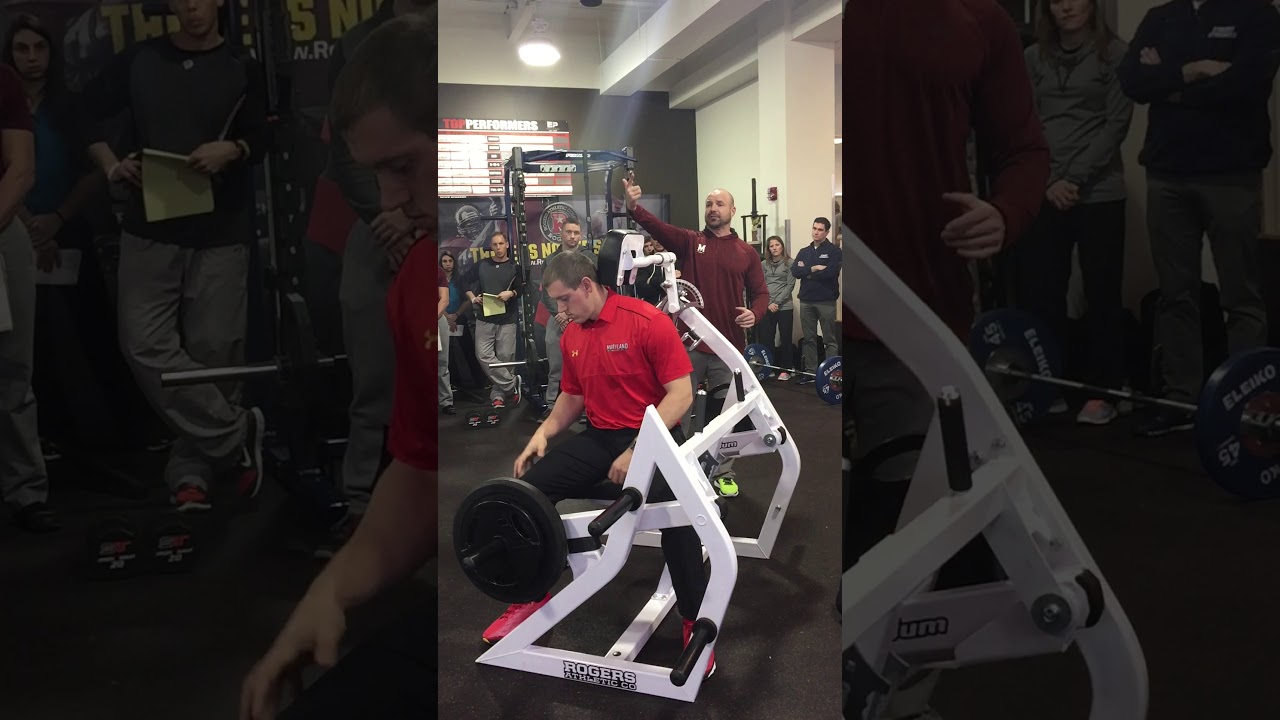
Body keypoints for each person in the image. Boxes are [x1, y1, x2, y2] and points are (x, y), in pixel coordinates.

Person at [844, 2, 1051, 717]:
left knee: (909, 534)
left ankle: (895, 701)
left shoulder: (979, 19)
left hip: (915, 315)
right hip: (824, 309)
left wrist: (1007, 212)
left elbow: (1024, 150)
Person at [239, 13, 438, 720]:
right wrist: (325, 596)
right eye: (376, 172)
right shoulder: (415, 281)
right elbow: (419, 473)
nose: (390, 200)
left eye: (403, 167)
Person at [489, 249, 716, 679]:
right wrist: (544, 432)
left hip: (655, 437)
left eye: (564, 299)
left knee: (679, 516)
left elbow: (681, 395)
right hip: (600, 436)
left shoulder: (647, 321)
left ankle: (693, 619)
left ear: (587, 285)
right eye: (555, 302)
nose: (560, 310)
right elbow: (573, 396)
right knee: (528, 494)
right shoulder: (572, 334)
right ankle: (532, 595)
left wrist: (638, 448)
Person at [80, 0, 269, 512]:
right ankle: (237, 437)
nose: (191, 6)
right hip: (151, 223)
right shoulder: (141, 59)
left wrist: (232, 150)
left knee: (214, 355)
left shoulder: (242, 65)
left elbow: (266, 133)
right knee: (142, 341)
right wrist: (111, 164)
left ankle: (191, 471)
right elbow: (82, 112)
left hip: (221, 229)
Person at [1117, 0, 1280, 437]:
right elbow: (1131, 80)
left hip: (1232, 175)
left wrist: (1167, 81)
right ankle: (1180, 400)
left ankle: (1247, 403)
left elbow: (1246, 85)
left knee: (1241, 297)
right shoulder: (1162, 16)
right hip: (1167, 173)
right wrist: (1192, 71)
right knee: (1175, 295)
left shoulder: (1257, 13)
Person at [324, 0, 434, 552]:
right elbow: (350, 153)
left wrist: (418, 219)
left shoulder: (438, 37)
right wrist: (388, 216)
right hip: (376, 226)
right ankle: (361, 507)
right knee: (373, 379)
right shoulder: (358, 46)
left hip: (425, 219)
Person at [1019, 0, 1134, 425]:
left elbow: (1116, 124)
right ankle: (1049, 386)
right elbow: (1026, 120)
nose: (1066, 6)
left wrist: (1074, 178)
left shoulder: (1115, 54)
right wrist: (1050, 180)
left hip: (1099, 192)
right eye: (1057, 0)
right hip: (1047, 190)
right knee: (1043, 292)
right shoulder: (1033, 58)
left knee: (1102, 292)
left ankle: (1105, 391)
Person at [623, 176, 769, 497]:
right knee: (677, 410)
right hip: (688, 345)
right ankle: (673, 473)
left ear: (732, 210)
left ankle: (722, 472)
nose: (713, 208)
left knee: (727, 415)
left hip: (729, 348)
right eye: (709, 204)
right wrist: (634, 208)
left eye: (719, 204)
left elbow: (761, 293)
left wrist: (755, 313)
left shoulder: (746, 252)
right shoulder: (690, 242)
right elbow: (659, 227)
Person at [0, 60, 40, 532]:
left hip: (2, 223)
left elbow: (21, 168)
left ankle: (25, 490)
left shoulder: (3, 79)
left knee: (11, 369)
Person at [456, 231, 523, 408]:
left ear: (507, 245)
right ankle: (512, 385)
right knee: (483, 355)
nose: (498, 248)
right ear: (491, 246)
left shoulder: (514, 267)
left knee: (505, 358)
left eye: (501, 244)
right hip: (485, 317)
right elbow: (462, 280)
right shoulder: (482, 265)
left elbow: (522, 288)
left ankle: (498, 396)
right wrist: (472, 298)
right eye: (495, 244)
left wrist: (511, 293)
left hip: (507, 318)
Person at [539, 219, 596, 419]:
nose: (573, 236)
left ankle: (587, 407)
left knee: (586, 364)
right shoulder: (550, 260)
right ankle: (552, 405)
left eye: (576, 232)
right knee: (556, 363)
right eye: (569, 232)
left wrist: (574, 314)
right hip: (558, 317)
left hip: (583, 318)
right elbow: (546, 293)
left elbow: (593, 289)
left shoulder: (589, 258)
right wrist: (560, 314)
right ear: (561, 234)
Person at [791, 217, 841, 384]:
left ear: (827, 232)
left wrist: (807, 273)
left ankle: (832, 374)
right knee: (809, 339)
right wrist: (813, 268)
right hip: (806, 300)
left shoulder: (834, 251)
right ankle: (811, 372)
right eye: (814, 228)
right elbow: (795, 272)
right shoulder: (804, 251)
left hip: (826, 301)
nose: (816, 232)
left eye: (820, 229)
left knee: (829, 340)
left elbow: (831, 273)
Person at [759, 235, 796, 380]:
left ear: (782, 246)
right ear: (768, 249)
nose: (774, 248)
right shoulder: (763, 264)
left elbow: (790, 285)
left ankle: (787, 369)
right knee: (767, 338)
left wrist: (777, 302)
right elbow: (761, 284)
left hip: (784, 306)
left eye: (777, 245)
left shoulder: (790, 263)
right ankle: (769, 368)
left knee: (785, 338)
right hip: (767, 306)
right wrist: (768, 303)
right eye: (771, 246)